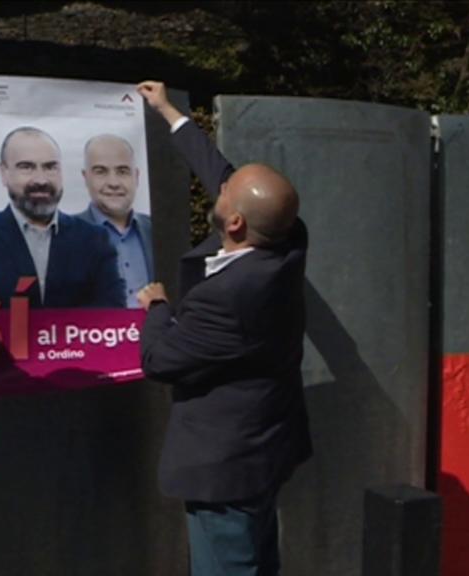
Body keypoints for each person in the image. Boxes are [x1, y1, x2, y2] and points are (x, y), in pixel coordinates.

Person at [135, 80, 312, 576]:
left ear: (233, 222)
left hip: (226, 467)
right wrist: (170, 113)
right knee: (258, 560)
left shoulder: (228, 299)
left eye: (224, 194)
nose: (221, 184)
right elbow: (225, 175)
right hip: (264, 446)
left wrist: (158, 307)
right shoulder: (286, 238)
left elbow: (160, 360)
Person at [0, 125, 125, 309]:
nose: (41, 179)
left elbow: (111, 319)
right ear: (4, 173)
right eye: (27, 167)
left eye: (50, 167)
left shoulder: (95, 240)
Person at [74, 134, 154, 308]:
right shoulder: (64, 237)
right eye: (101, 172)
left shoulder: (157, 231)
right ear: (85, 177)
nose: (113, 182)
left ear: (137, 177)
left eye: (123, 171)